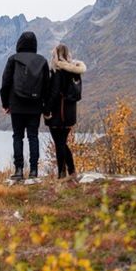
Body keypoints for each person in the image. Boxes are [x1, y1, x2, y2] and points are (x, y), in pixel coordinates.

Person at [0, 31, 50, 180]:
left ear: (19, 43)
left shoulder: (13, 59)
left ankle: (19, 170)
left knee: (18, 137)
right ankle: (34, 171)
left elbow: (6, 83)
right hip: (35, 106)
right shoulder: (42, 61)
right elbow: (46, 87)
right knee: (33, 137)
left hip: (16, 105)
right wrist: (45, 107)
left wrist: (5, 104)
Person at [44, 44, 86, 178]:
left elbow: (55, 93)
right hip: (70, 114)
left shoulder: (58, 70)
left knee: (59, 143)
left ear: (56, 54)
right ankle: (70, 171)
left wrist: (47, 109)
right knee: (62, 142)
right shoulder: (75, 72)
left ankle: (63, 173)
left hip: (58, 113)